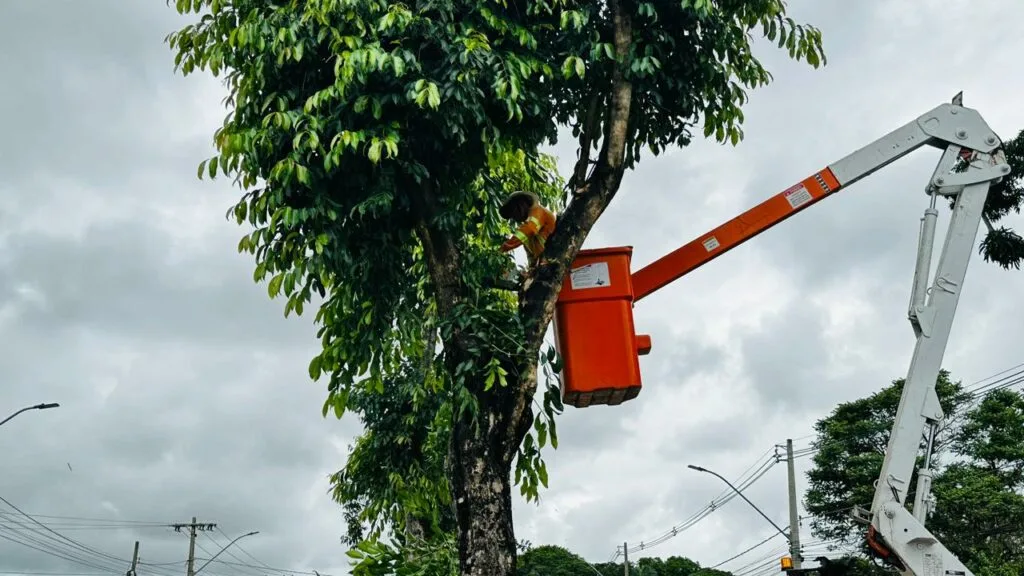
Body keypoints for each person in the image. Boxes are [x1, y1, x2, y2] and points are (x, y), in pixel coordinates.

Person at [495, 191, 556, 287]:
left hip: (553, 258)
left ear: (521, 204)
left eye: (513, 212)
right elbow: (532, 257)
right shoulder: (528, 235)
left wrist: (504, 247)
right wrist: (529, 274)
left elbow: (529, 229)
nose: (513, 217)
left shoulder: (537, 211)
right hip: (544, 265)